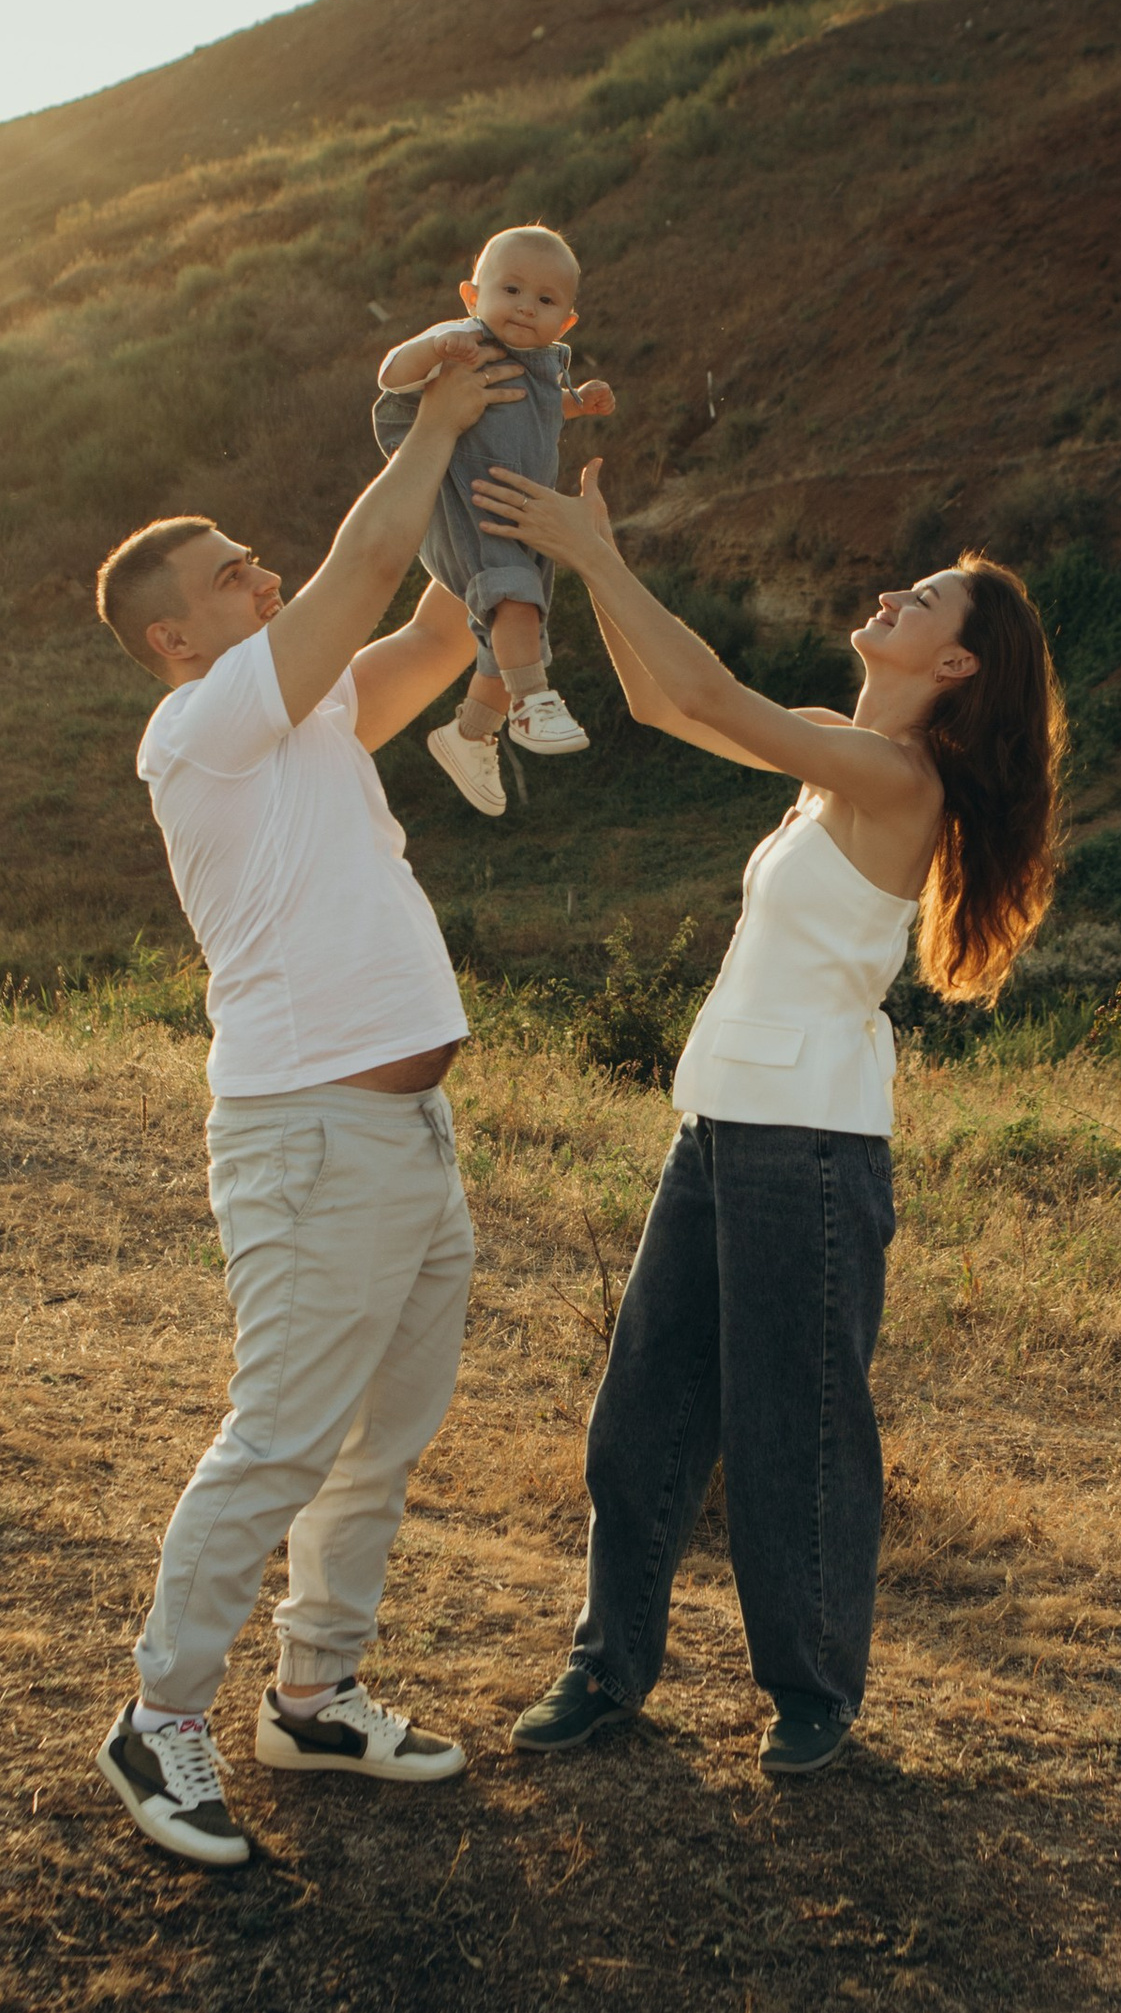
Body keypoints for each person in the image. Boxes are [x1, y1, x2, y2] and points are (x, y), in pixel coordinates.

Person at [473, 457, 1065, 1780]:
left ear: (960, 669)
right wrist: (595, 561)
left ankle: (810, 1696)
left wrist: (588, 558)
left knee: (790, 1429)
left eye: (921, 601)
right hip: (723, 1120)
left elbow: (702, 688)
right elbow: (659, 698)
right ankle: (609, 1670)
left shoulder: (896, 778)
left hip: (809, 1142)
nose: (889, 596)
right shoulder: (831, 760)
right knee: (641, 1421)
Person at [86, 340, 520, 1870]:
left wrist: (499, 449)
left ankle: (314, 1695)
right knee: (280, 1436)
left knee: (380, 1438)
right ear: (170, 636)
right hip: (308, 1135)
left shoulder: (312, 712)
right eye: (229, 572)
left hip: (403, 1136)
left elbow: (430, 614)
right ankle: (160, 1717)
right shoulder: (202, 726)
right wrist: (426, 432)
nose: (260, 573)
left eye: (255, 558)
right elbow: (366, 561)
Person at [372, 223, 616, 818]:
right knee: (513, 602)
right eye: (509, 289)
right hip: (466, 507)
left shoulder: (541, 367)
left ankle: (471, 733)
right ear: (471, 295)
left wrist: (576, 402)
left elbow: (533, 414)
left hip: (517, 511)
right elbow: (392, 374)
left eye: (545, 300)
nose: (525, 308)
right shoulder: (462, 339)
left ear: (568, 321)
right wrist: (434, 351)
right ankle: (531, 701)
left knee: (517, 626)